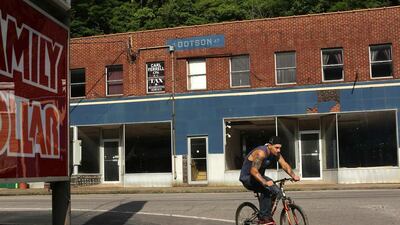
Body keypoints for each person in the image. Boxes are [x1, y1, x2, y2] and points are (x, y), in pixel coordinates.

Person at [239, 136, 300, 225]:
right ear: (270, 146)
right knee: (267, 189)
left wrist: (294, 176)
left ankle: (266, 214)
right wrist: (264, 182)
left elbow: (284, 164)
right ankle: (264, 217)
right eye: (276, 147)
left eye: (280, 148)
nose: (278, 150)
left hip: (259, 177)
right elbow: (253, 171)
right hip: (248, 178)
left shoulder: (276, 153)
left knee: (277, 192)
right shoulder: (261, 153)